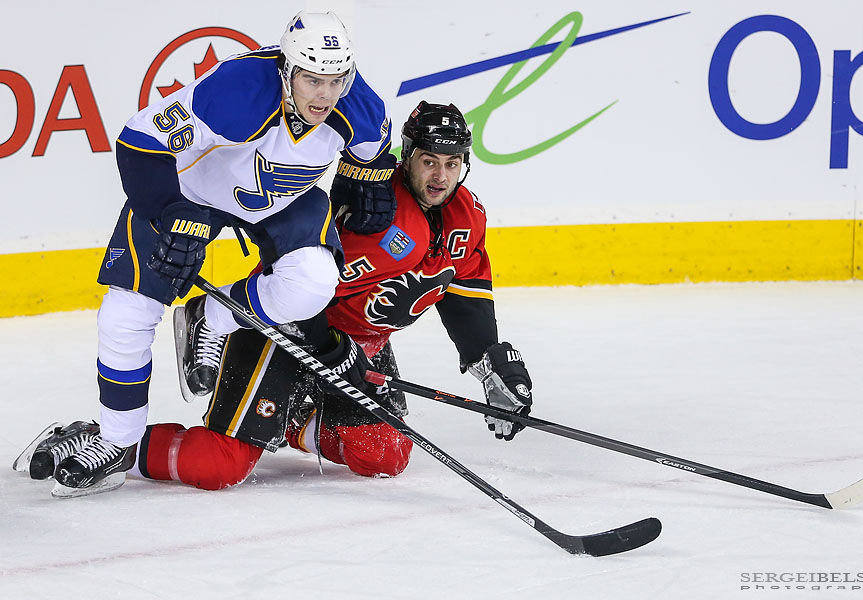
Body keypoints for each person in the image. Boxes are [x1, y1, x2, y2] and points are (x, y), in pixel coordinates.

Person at [15, 102, 533, 494]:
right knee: (219, 465)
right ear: (407, 158)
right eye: (428, 161)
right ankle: (112, 443)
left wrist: (490, 363)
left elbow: (463, 290)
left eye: (452, 163)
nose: (440, 176)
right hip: (283, 330)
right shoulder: (375, 217)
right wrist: (331, 352)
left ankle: (288, 420)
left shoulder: (468, 216)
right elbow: (305, 290)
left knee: (384, 453)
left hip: (357, 346)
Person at [44, 10, 398, 497]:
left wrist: (368, 184)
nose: (324, 95)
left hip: (283, 201)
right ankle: (116, 441)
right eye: (312, 80)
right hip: (192, 193)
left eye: (336, 81)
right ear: (287, 70)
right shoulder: (237, 90)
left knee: (313, 283)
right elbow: (139, 141)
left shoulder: (360, 109)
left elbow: (374, 157)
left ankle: (210, 316)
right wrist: (170, 211)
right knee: (126, 313)